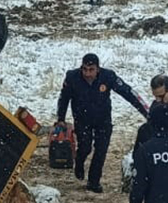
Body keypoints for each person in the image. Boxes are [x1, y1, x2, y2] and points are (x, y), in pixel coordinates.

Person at [57, 53, 148, 193]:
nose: (87, 73)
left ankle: (94, 182)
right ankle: (79, 162)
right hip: (82, 119)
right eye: (85, 69)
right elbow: (63, 99)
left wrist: (146, 112)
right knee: (85, 147)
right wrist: (61, 119)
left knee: (101, 151)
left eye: (91, 69)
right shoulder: (72, 77)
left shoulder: (108, 76)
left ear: (98, 69)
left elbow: (128, 92)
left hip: (103, 120)